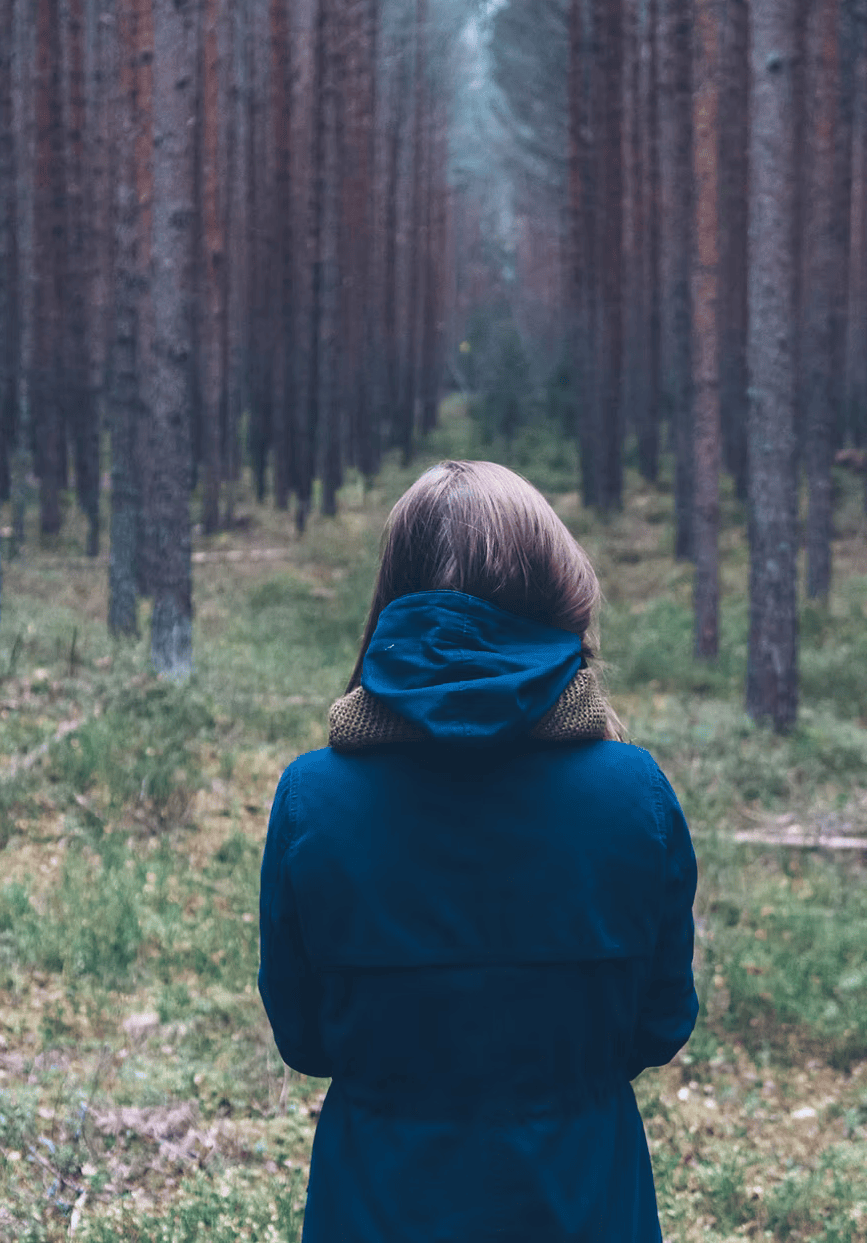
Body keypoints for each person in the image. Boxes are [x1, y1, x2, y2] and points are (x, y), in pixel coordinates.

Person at [258, 459, 699, 1242]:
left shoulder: (312, 799)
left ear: (393, 594)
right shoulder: (636, 793)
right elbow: (660, 1027)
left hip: (378, 1204)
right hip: (584, 1200)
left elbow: (304, 1039)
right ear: (554, 591)